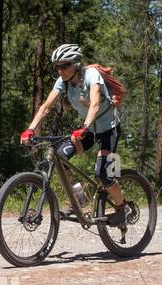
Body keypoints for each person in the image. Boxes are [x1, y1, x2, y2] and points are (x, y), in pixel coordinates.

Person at [19, 44, 128, 225]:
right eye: (58, 66)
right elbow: (46, 105)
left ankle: (122, 209)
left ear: (76, 64)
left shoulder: (91, 75)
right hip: (90, 130)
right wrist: (30, 128)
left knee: (103, 173)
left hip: (109, 128)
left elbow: (94, 103)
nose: (60, 70)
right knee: (61, 155)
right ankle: (79, 196)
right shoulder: (62, 81)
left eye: (64, 65)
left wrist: (83, 127)